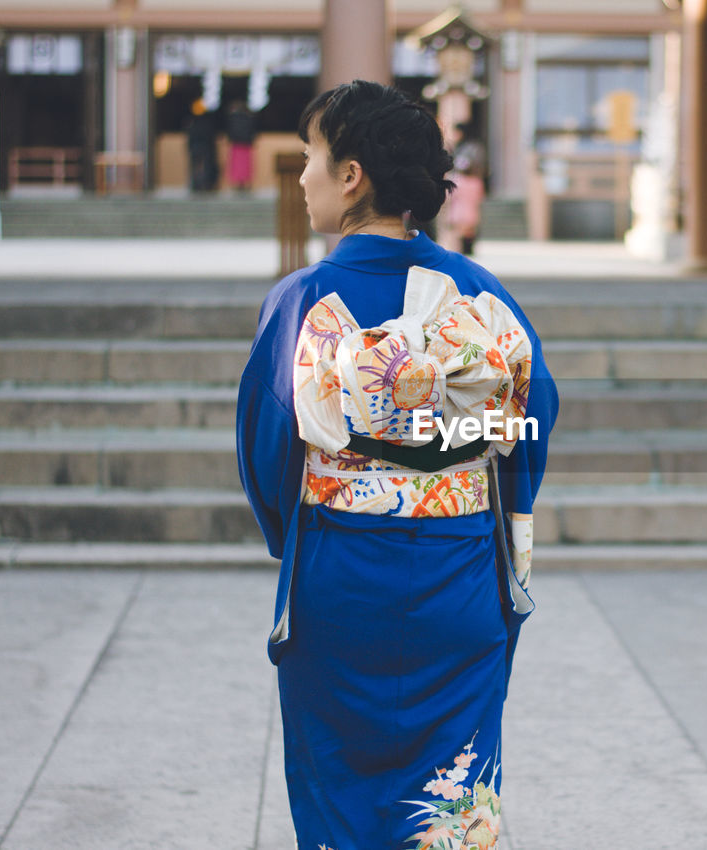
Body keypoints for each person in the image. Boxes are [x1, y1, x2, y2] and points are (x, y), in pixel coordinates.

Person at [236, 80, 557, 850]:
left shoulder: (304, 298)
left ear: (352, 176)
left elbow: (268, 448)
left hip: (341, 574)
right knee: (449, 803)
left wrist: (309, 525)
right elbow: (529, 424)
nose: (303, 173)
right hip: (458, 573)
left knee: (340, 794)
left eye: (312, 156)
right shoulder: (481, 294)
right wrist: (472, 495)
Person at [443, 122, 486, 255]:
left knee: (466, 218)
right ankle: (465, 245)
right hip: (468, 185)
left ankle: (466, 245)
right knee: (467, 218)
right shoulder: (466, 147)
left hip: (467, 184)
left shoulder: (470, 148)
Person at [185, 98, 219, 193]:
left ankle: (198, 184)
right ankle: (203, 184)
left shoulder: (192, 121)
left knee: (198, 166)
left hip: (198, 147)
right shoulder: (205, 121)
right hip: (203, 147)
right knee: (203, 166)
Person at [224, 98, 257, 192]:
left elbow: (230, 131)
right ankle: (246, 183)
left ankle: (239, 184)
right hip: (246, 144)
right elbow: (252, 131)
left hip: (236, 144)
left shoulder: (233, 118)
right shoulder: (249, 117)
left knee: (237, 165)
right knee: (246, 165)